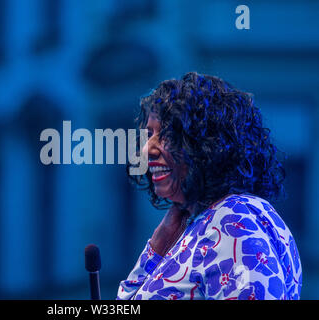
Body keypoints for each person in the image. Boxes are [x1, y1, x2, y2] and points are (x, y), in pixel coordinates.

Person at [117, 72, 302, 300]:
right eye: (149, 134)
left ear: (208, 143)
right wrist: (156, 249)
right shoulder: (204, 222)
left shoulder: (234, 220)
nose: (147, 149)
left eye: (166, 134)